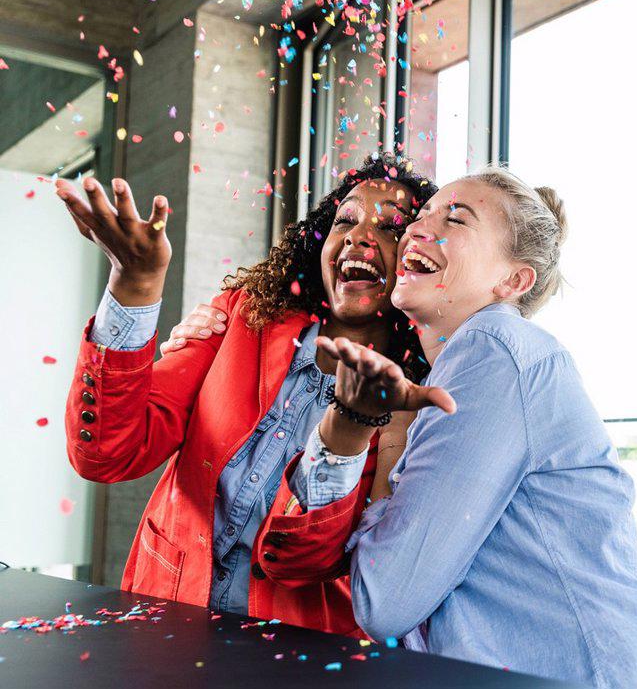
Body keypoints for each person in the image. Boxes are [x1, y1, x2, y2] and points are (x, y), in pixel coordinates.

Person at [309, 168, 637, 688]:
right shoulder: (473, 365)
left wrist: (387, 456)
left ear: (513, 282)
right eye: (423, 216)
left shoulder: (491, 349)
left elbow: (384, 602)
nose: (418, 231)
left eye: (455, 218)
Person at [55, 153, 437, 636]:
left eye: (389, 228)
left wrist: (350, 428)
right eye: (345, 219)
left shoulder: (414, 406)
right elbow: (106, 452)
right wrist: (135, 286)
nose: (358, 236)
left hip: (296, 655)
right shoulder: (241, 317)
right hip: (162, 625)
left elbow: (308, 561)